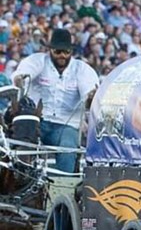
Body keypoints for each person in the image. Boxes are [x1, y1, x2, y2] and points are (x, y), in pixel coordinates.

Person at [13, 29, 99, 173]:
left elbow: (88, 96)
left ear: (71, 51)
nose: (62, 56)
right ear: (50, 50)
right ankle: (18, 179)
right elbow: (23, 75)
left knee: (67, 147)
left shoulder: (82, 69)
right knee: (21, 143)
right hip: (36, 121)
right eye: (58, 51)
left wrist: (91, 97)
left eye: (66, 52)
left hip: (66, 125)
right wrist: (20, 79)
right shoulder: (38, 61)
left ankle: (64, 185)